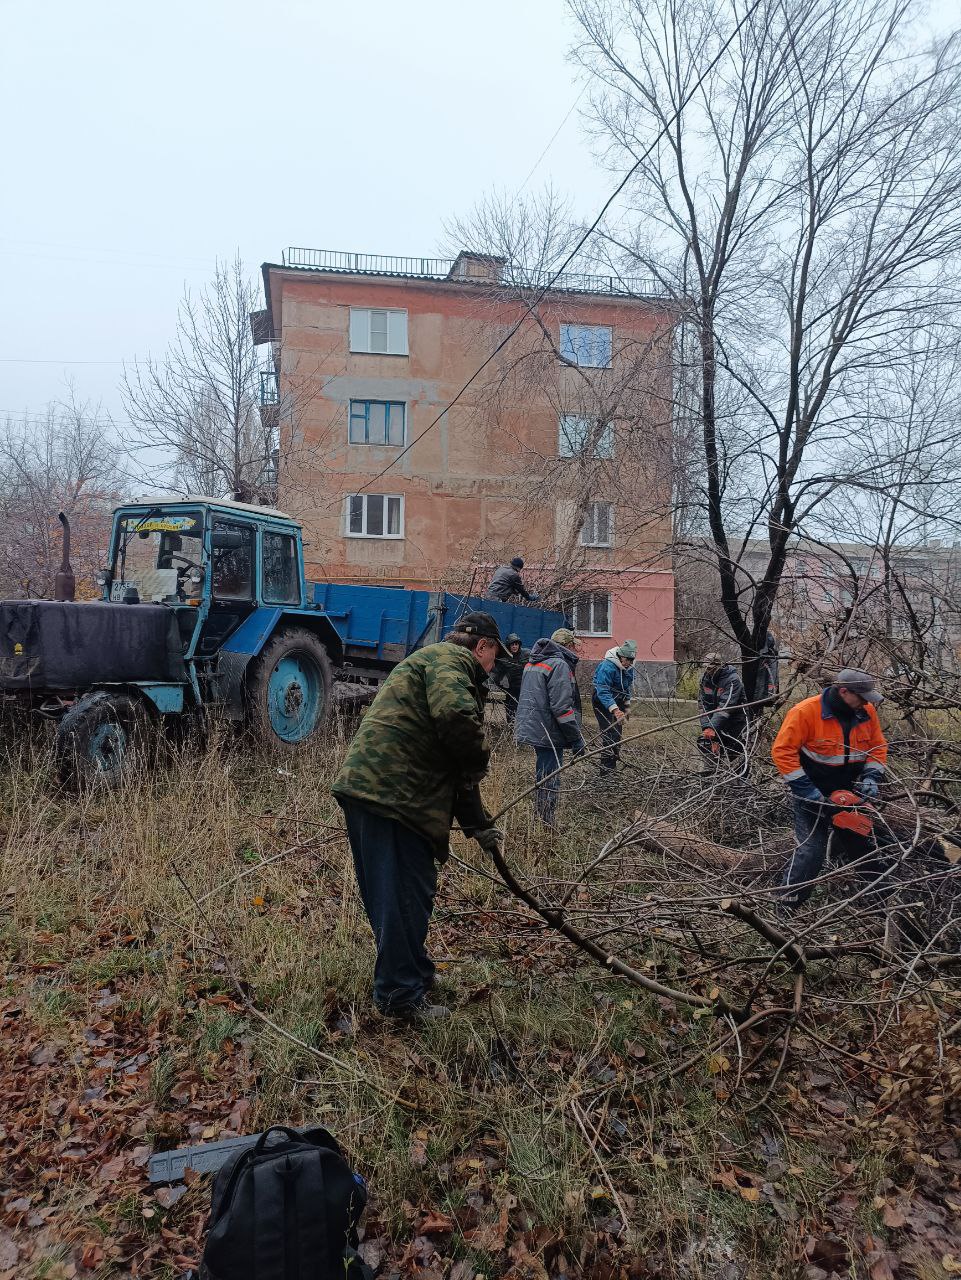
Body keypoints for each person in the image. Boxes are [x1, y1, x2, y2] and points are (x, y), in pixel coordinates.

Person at [331, 611, 507, 1020]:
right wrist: (482, 756)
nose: (493, 665)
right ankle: (399, 997)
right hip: (395, 797)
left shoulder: (430, 662)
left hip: (376, 792)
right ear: (481, 645)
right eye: (494, 655)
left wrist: (477, 823)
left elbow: (453, 764)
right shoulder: (451, 660)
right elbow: (455, 719)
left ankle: (411, 972)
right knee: (405, 897)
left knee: (395, 896)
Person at [772, 668, 888, 907]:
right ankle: (786, 907)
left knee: (864, 849)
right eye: (862, 697)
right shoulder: (806, 712)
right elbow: (782, 751)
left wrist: (871, 777)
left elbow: (877, 748)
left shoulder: (865, 713)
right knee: (811, 852)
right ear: (844, 691)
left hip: (850, 796)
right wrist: (807, 792)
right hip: (813, 794)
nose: (866, 703)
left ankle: (885, 907)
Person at [515, 627, 586, 825]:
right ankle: (546, 822)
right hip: (548, 730)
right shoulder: (559, 665)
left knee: (544, 772)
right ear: (568, 645)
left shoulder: (534, 661)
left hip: (534, 726)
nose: (576, 650)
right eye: (574, 645)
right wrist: (575, 738)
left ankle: (541, 818)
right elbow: (562, 707)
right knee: (550, 776)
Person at [591, 639, 637, 775]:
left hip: (619, 699)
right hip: (601, 700)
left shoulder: (629, 668)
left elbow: (626, 687)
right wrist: (616, 710)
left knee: (617, 734)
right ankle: (605, 772)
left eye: (631, 659)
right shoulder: (607, 667)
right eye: (627, 659)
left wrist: (627, 706)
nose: (629, 662)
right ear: (621, 656)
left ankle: (612, 766)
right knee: (609, 734)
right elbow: (603, 691)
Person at [697, 653, 747, 765]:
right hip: (716, 722)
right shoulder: (705, 680)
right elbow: (703, 705)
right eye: (705, 667)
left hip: (735, 722)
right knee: (706, 745)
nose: (707, 671)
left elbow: (726, 706)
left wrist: (712, 727)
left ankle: (740, 780)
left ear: (718, 666)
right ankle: (711, 777)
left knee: (735, 753)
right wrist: (707, 728)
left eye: (710, 668)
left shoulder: (733, 680)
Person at [491, 632, 529, 725]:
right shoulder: (503, 658)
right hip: (511, 691)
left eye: (516, 644)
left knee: (525, 713)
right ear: (508, 646)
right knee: (511, 714)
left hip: (524, 689)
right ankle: (511, 731)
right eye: (512, 644)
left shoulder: (526, 654)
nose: (514, 646)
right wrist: (503, 685)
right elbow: (496, 674)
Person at [759, 630, 780, 701]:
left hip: (764, 695)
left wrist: (771, 694)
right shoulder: (771, 655)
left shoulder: (770, 656)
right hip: (763, 695)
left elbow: (773, 676)